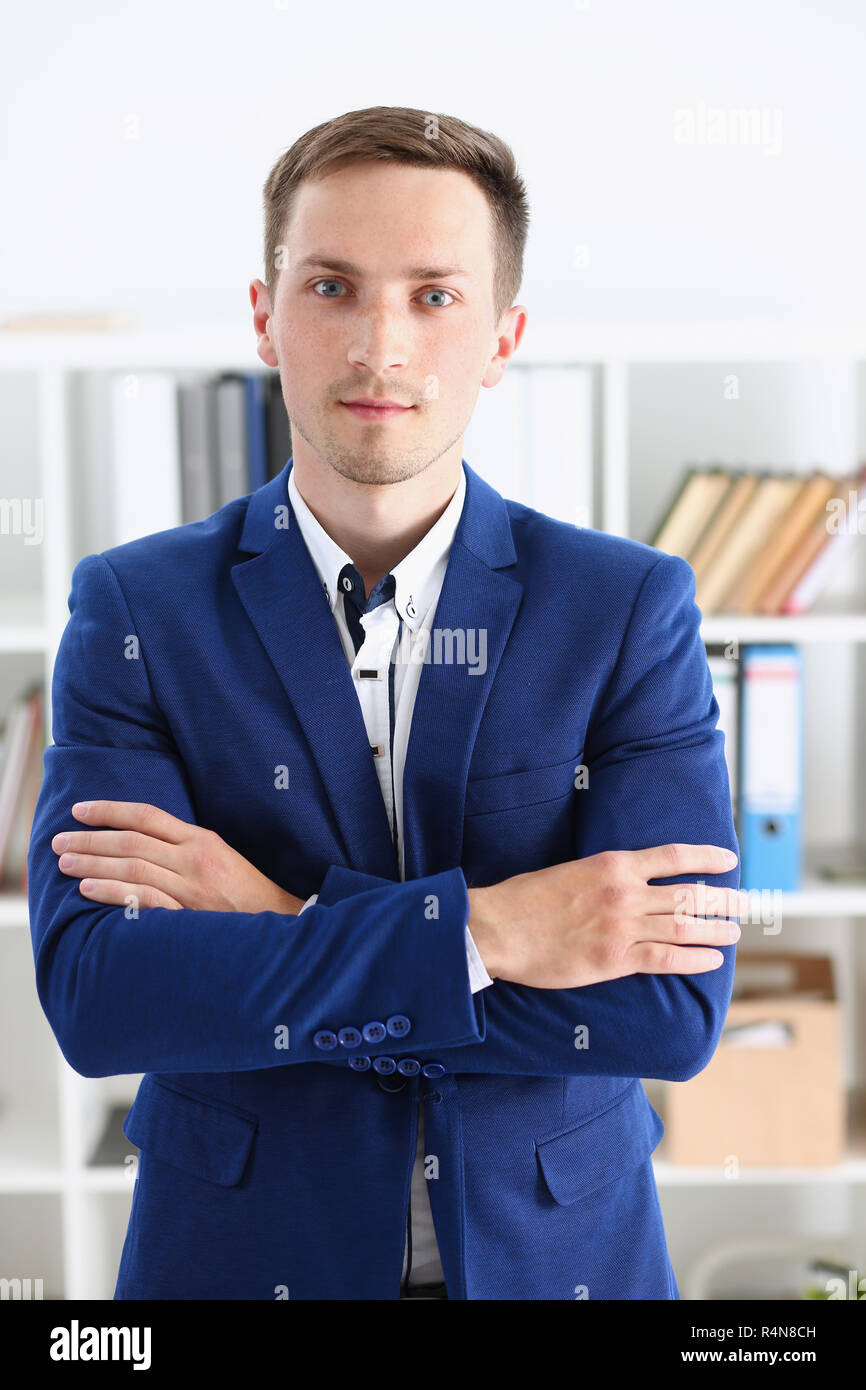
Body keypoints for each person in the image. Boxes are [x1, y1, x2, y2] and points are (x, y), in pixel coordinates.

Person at [28, 105, 742, 1301]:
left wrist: (272, 912)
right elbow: (105, 998)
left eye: (433, 295)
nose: (378, 345)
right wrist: (496, 932)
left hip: (553, 1254)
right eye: (330, 286)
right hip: (241, 1255)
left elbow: (663, 1010)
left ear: (503, 334)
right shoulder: (134, 608)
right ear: (264, 315)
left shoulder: (625, 607)